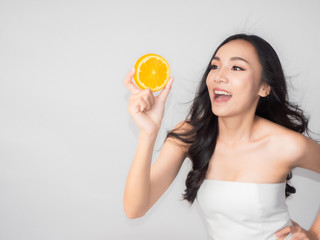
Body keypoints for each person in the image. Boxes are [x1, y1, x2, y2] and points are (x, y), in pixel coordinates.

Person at [123, 34, 320, 240]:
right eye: (215, 67)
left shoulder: (286, 145)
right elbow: (135, 209)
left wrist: (314, 235)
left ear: (264, 87)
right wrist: (148, 132)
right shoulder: (190, 134)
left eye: (236, 68)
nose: (218, 76)